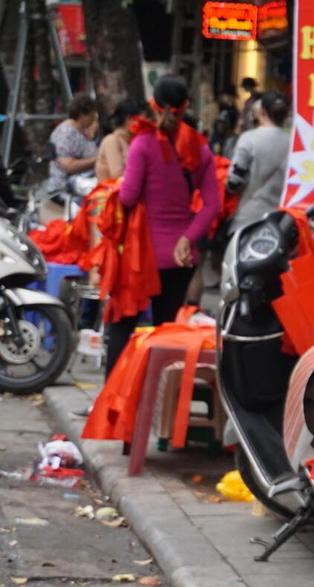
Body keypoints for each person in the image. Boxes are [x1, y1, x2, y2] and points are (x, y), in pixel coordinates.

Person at [108, 75, 220, 376]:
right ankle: (157, 402)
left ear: (153, 105)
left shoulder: (142, 144)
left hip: (141, 255)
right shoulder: (201, 148)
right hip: (179, 256)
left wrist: (114, 189)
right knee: (164, 330)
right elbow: (212, 205)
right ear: (185, 107)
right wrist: (188, 237)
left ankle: (113, 400)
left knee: (122, 324)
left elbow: (129, 197)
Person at [226, 91, 290, 232]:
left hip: (248, 220)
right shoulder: (294, 143)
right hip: (282, 223)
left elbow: (233, 183)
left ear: (262, 112)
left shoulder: (248, 139)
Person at [46, 94, 99, 199]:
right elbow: (68, 166)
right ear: (83, 114)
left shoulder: (82, 130)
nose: (94, 118)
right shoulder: (66, 133)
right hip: (67, 191)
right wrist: (98, 159)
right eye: (92, 115)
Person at [95, 99, 142, 181]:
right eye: (142, 120)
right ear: (129, 120)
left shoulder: (131, 141)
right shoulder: (112, 140)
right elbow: (117, 175)